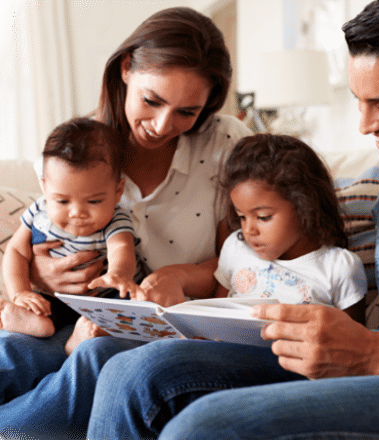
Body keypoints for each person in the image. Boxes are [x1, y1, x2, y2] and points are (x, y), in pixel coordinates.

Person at [85, 0, 379, 439]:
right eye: (360, 101)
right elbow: (297, 208)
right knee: (137, 373)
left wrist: (369, 353)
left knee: (205, 427)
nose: (364, 124)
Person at [0, 7, 251, 439]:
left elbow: (248, 258)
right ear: (125, 69)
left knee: (95, 357)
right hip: (77, 310)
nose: (161, 125)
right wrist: (38, 278)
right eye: (152, 101)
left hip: (172, 325)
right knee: (14, 352)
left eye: (186, 111)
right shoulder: (82, 149)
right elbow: (39, 235)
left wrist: (181, 275)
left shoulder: (227, 143)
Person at [0, 117, 142, 354]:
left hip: (104, 298)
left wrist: (118, 274)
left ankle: (82, 337)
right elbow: (16, 251)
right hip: (56, 298)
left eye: (94, 201)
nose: (77, 213)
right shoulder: (39, 211)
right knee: (39, 306)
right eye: (62, 200)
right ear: (45, 187)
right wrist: (20, 293)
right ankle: (33, 322)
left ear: (118, 191)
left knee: (128, 310)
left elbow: (121, 248)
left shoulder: (116, 219)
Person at [215, 133, 366, 322]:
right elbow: (214, 313)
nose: (248, 230)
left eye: (263, 217)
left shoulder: (339, 267)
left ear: (306, 207)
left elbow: (354, 340)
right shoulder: (236, 248)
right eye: (242, 217)